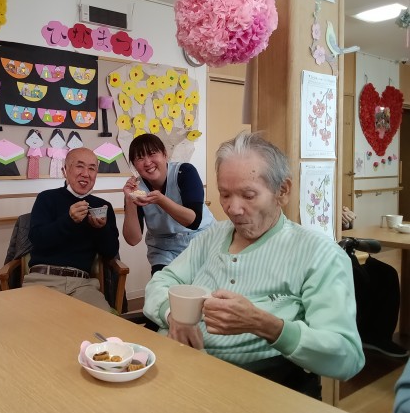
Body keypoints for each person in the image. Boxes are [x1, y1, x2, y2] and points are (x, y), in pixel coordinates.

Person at [143, 132, 364, 398]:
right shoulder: (212, 236)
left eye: (248, 195)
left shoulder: (318, 254)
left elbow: (346, 357)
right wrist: (174, 315)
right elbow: (160, 282)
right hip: (174, 369)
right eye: (225, 194)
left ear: (283, 191)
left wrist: (265, 325)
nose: (233, 209)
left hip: (246, 389)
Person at [25, 147, 119, 311]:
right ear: (65, 170)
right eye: (79, 166)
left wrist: (101, 229)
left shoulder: (102, 207)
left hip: (82, 284)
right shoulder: (46, 198)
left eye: (92, 168)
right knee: (33, 323)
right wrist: (69, 220)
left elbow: (110, 252)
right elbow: (38, 238)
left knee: (103, 322)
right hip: (43, 279)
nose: (86, 174)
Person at [122, 134, 215, 274]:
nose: (147, 162)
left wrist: (161, 200)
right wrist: (130, 200)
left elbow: (194, 221)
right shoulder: (136, 189)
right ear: (134, 165)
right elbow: (133, 240)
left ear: (165, 154)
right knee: (162, 284)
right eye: (140, 158)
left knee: (204, 284)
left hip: (202, 241)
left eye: (152, 154)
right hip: (164, 250)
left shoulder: (185, 172)